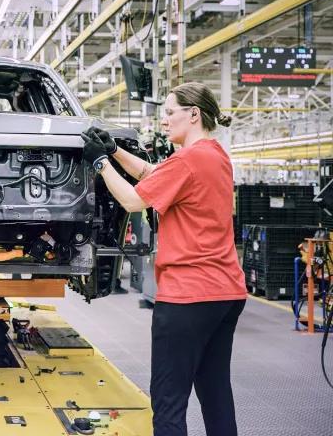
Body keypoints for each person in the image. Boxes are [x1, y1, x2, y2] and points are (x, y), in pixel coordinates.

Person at [80, 82, 247, 436]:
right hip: (226, 293)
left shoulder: (187, 160)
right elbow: (153, 175)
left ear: (194, 114)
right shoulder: (215, 155)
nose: (165, 121)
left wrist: (99, 164)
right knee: (216, 392)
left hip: (188, 296)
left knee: (169, 400)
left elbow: (132, 200)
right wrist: (114, 152)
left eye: (170, 113)